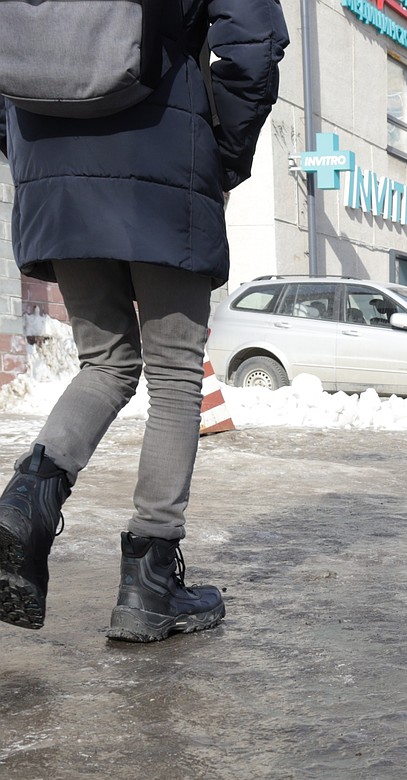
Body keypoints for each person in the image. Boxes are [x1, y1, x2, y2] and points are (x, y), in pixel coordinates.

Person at [0, 0, 288, 641]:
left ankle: (26, 504)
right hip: (165, 152)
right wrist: (224, 154)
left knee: (105, 363)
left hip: (51, 167)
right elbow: (252, 38)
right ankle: (149, 585)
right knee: (175, 372)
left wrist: (32, 152)